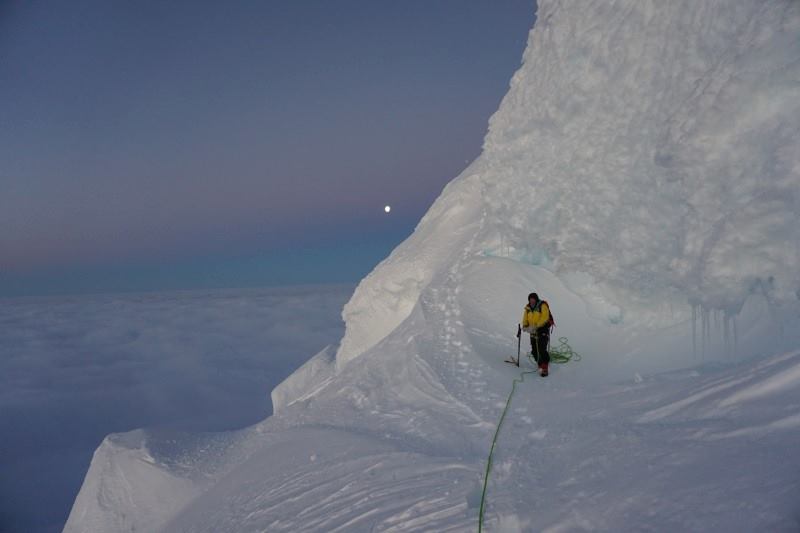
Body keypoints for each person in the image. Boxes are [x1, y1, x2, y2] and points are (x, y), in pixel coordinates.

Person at [521, 292, 551, 376]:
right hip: (533, 331)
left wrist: (536, 326)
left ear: (536, 299)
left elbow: (545, 317)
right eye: (530, 299)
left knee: (541, 348)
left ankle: (545, 367)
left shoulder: (542, 305)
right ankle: (540, 363)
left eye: (533, 299)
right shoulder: (528, 308)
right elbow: (525, 318)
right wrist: (525, 325)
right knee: (534, 350)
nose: (532, 301)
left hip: (543, 330)